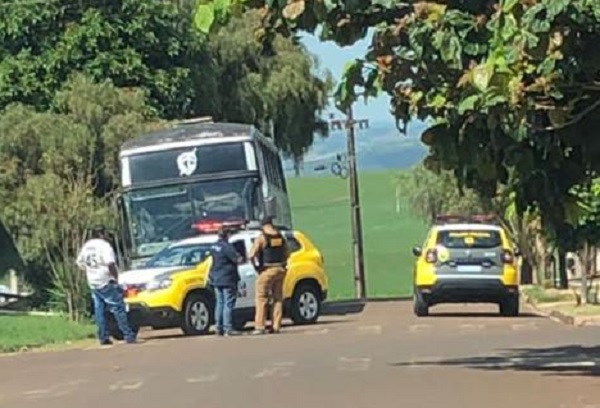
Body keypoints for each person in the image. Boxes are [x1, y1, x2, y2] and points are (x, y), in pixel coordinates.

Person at [76, 226, 137, 345]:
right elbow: (110, 264)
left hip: (93, 281)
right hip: (105, 280)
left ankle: (103, 336)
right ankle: (128, 335)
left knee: (99, 310)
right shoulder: (104, 246)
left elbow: (79, 262)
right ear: (102, 234)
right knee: (118, 308)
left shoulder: (87, 246)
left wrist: (90, 270)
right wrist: (116, 277)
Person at [249, 216, 289, 335]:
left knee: (261, 298)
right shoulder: (280, 236)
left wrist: (256, 267)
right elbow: (287, 253)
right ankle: (276, 325)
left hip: (267, 270)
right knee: (278, 299)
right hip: (280, 269)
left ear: (263, 225)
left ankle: (260, 326)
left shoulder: (262, 237)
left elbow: (251, 254)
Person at [208, 227, 244, 336]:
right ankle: (228, 328)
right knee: (228, 304)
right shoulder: (227, 247)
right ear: (227, 234)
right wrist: (241, 256)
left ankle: (218, 328)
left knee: (219, 303)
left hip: (216, 277)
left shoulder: (214, 246)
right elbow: (237, 259)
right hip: (227, 278)